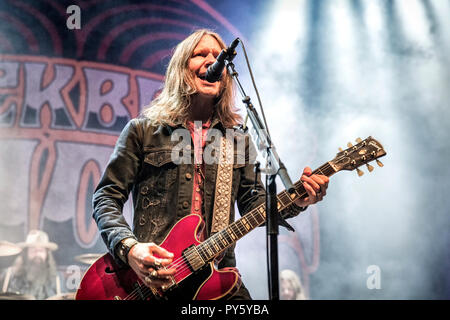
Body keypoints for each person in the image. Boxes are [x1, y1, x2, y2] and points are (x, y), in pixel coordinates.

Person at [92, 29, 329, 300]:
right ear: (181, 69)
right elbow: (106, 198)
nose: (212, 61)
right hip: (153, 278)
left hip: (218, 275)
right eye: (200, 54)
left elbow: (254, 204)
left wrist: (298, 200)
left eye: (218, 57)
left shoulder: (236, 139)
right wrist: (130, 249)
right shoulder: (143, 131)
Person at [0, 230, 61, 300]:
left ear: (47, 254)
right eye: (33, 250)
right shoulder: (8, 275)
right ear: (26, 253)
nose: (37, 254)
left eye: (41, 250)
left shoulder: (57, 278)